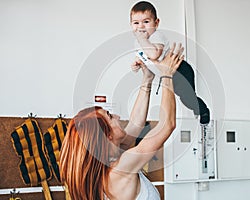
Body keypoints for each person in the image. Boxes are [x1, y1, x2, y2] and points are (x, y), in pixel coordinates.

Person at [60, 43, 184, 200]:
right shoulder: (121, 169)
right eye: (110, 116)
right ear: (108, 137)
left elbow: (135, 124)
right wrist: (167, 75)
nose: (117, 116)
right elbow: (167, 125)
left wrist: (147, 79)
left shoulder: (109, 161)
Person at [130, 1, 210, 125]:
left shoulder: (156, 36)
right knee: (183, 98)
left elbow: (154, 54)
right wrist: (137, 64)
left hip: (180, 70)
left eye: (146, 22)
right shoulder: (138, 42)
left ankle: (203, 111)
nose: (141, 27)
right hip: (168, 74)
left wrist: (142, 39)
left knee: (187, 98)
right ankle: (196, 107)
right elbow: (142, 56)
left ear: (156, 23)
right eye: (136, 23)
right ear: (131, 25)